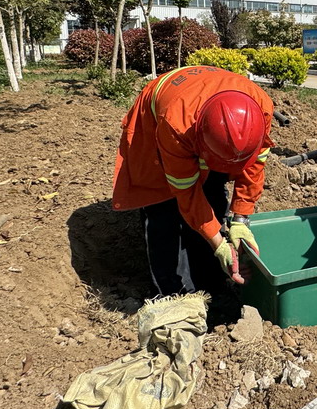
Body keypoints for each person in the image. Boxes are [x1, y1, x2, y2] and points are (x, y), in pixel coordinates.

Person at [112, 65, 274, 296]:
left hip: (205, 109)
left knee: (212, 192)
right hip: (163, 113)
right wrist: (219, 245)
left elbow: (254, 166)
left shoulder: (261, 107)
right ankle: (176, 295)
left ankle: (213, 284)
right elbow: (186, 191)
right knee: (163, 208)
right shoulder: (175, 124)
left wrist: (240, 218)